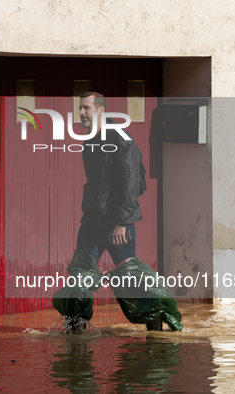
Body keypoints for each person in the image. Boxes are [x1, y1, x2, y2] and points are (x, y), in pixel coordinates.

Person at [73, 92, 156, 330]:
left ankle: (155, 325)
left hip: (116, 225)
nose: (81, 113)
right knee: (80, 274)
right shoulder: (90, 140)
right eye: (80, 108)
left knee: (130, 279)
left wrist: (121, 222)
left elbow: (132, 183)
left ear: (100, 111)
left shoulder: (121, 139)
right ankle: (76, 329)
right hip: (91, 222)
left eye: (86, 108)